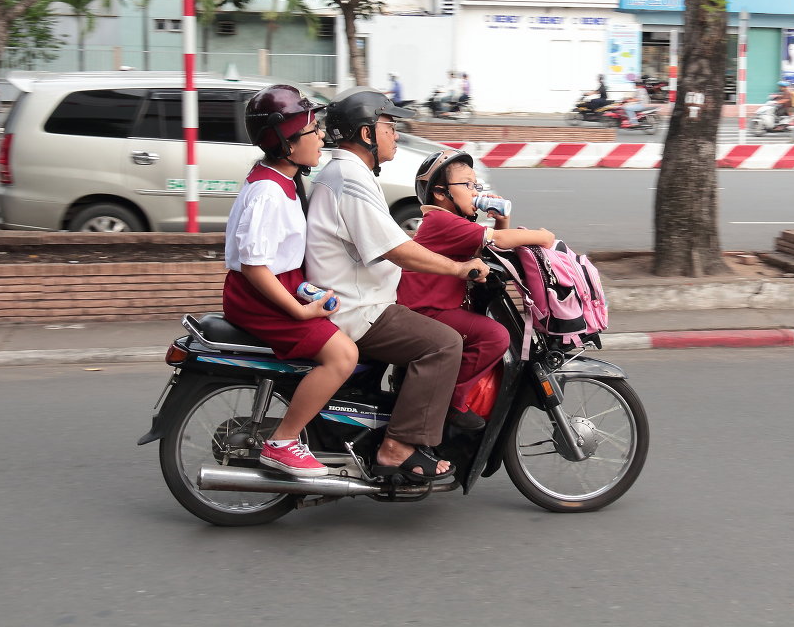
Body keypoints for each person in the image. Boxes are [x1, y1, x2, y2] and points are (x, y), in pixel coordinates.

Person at [305, 88, 490, 483]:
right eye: (389, 126)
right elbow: (398, 249)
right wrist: (458, 271)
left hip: (359, 297)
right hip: (358, 308)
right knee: (443, 343)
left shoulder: (347, 174)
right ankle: (397, 447)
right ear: (366, 133)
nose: (396, 135)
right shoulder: (349, 178)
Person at [223, 85, 360, 477]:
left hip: (282, 285)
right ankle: (283, 442)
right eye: (311, 131)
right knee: (343, 355)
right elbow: (254, 267)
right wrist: (299, 311)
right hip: (259, 297)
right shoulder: (268, 191)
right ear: (284, 142)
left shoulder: (281, 178)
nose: (320, 137)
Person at [398, 149, 555, 427]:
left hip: (435, 307)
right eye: (467, 185)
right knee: (495, 335)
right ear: (440, 193)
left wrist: (500, 217)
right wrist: (544, 236)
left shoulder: (450, 222)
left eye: (476, 185)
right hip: (428, 310)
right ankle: (451, 399)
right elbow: (502, 240)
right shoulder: (443, 221)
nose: (475, 192)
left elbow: (490, 246)